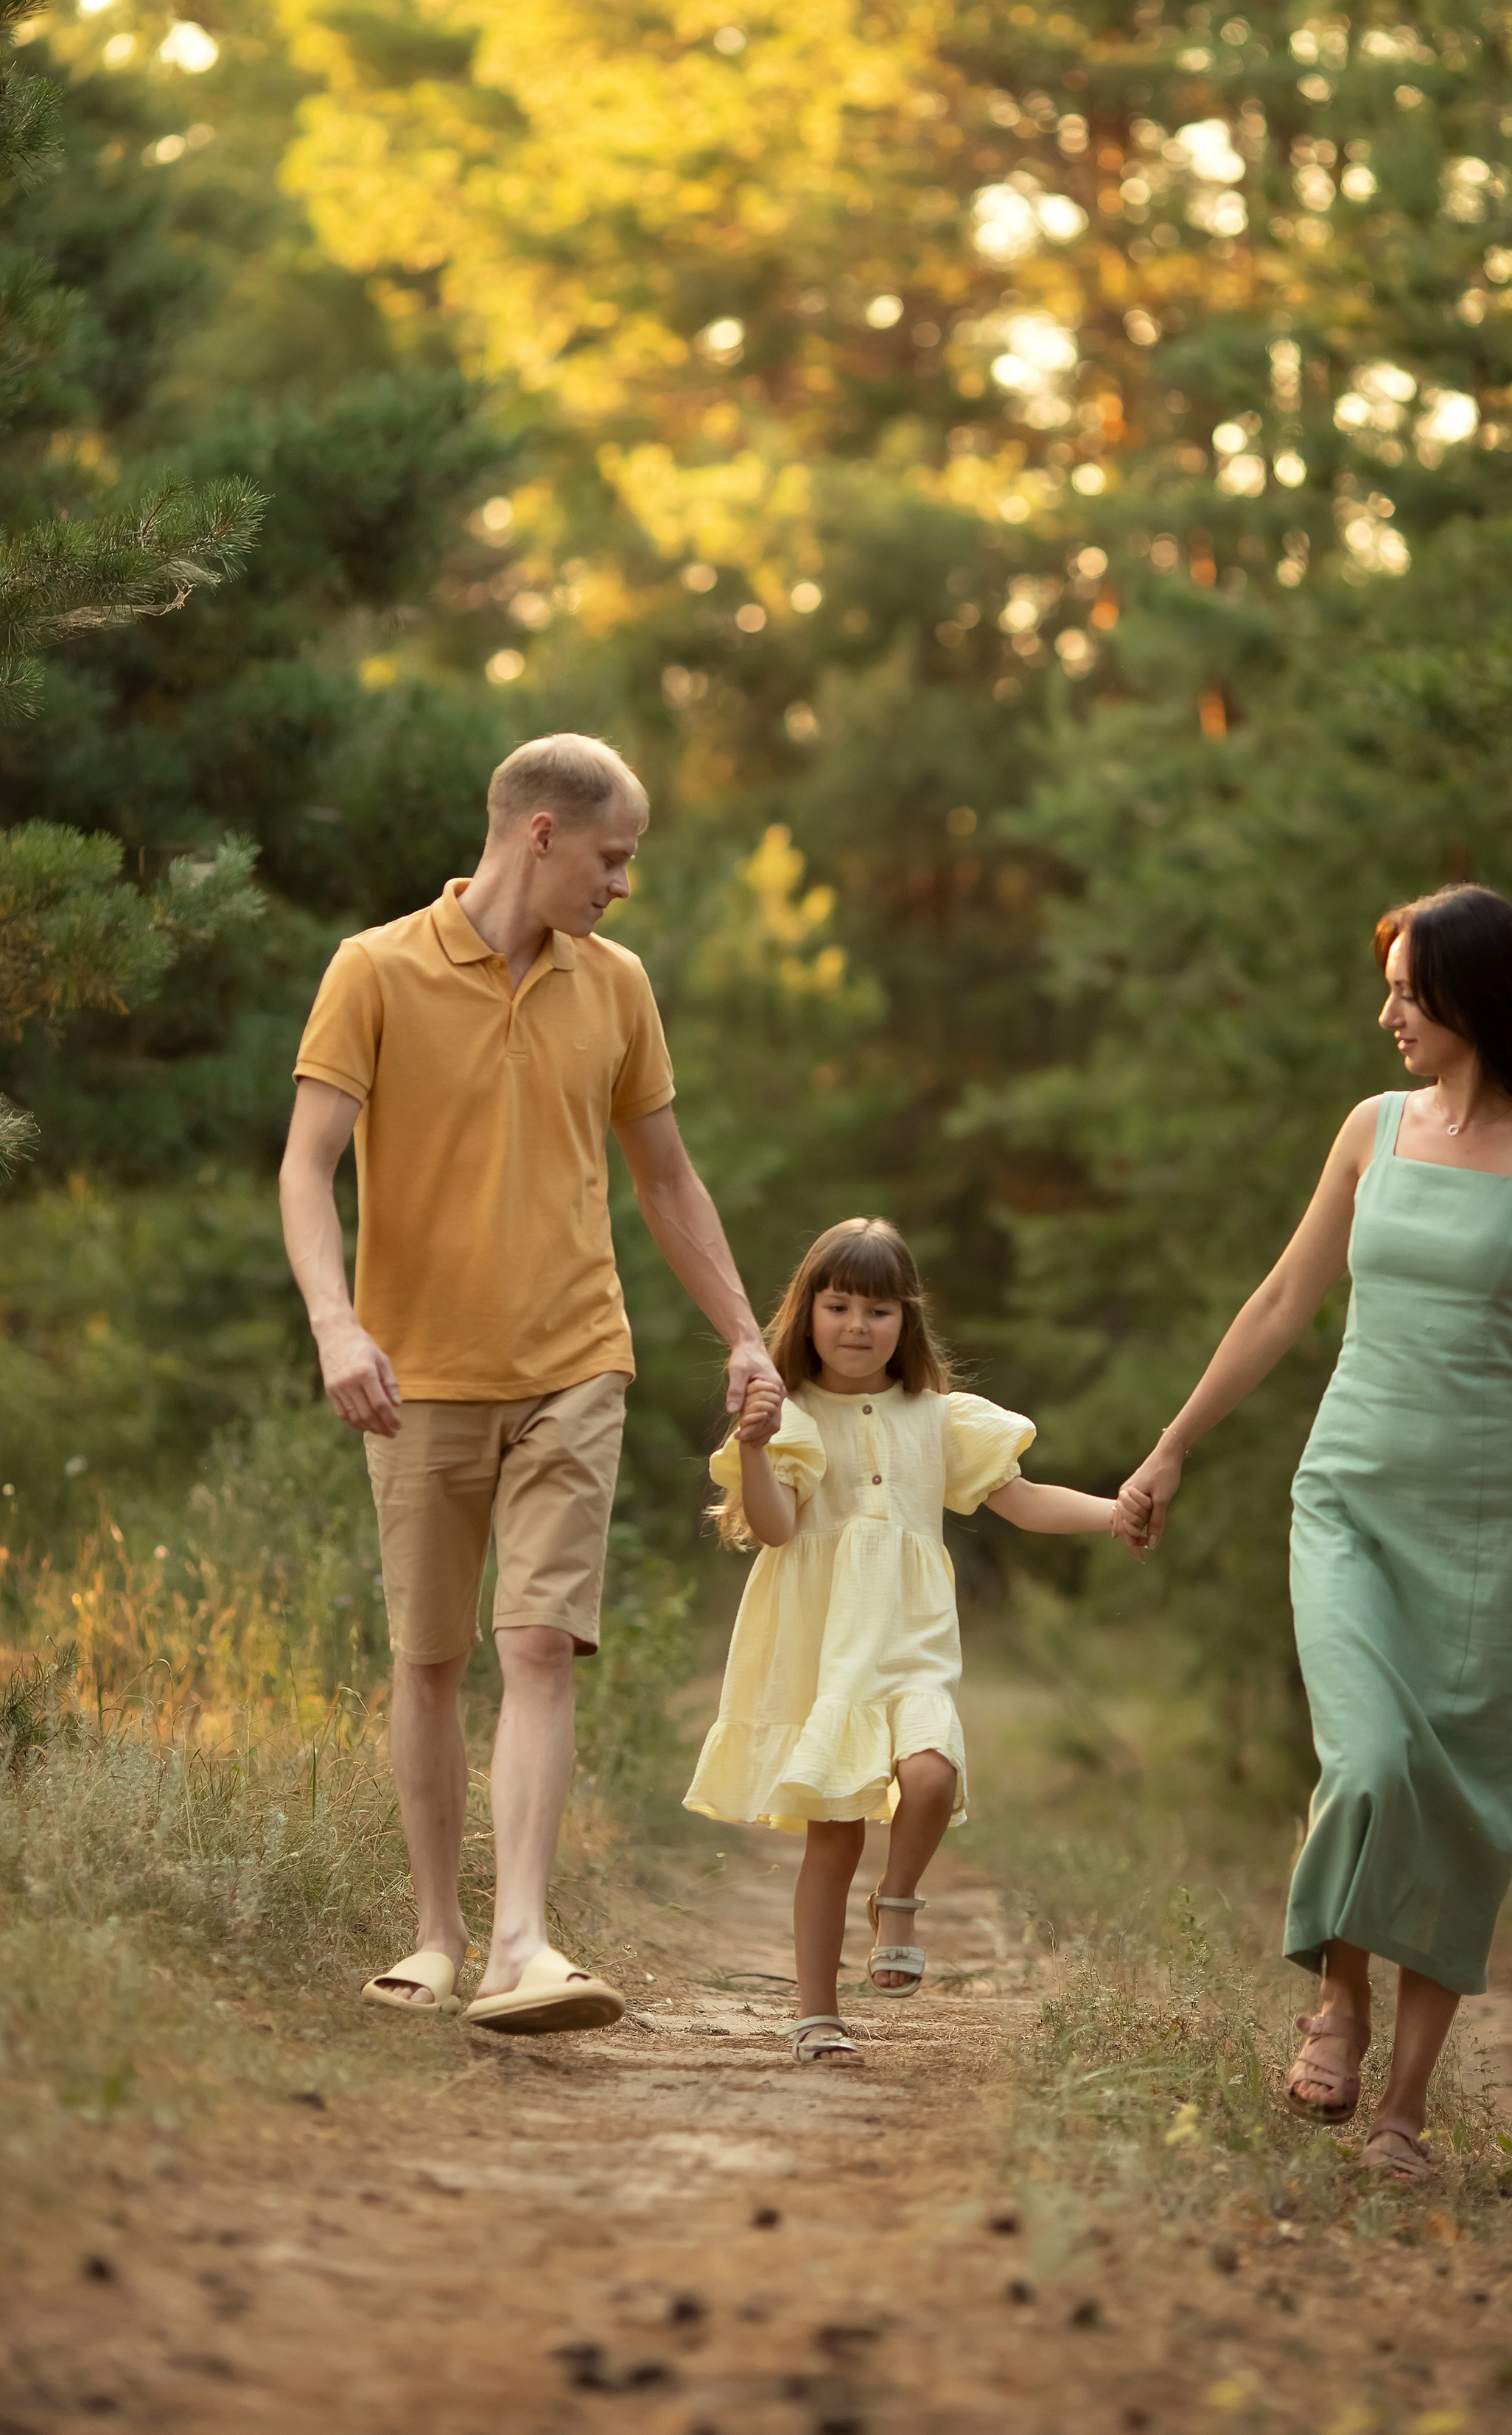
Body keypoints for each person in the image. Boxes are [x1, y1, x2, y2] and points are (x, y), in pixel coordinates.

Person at [279, 732, 783, 2035]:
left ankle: (522, 1942)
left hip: (575, 1359)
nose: (624, 886)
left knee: (541, 1643)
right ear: (543, 833)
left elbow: (665, 1181)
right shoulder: (373, 970)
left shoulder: (618, 988)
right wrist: (337, 1326)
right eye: (613, 857)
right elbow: (306, 1168)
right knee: (431, 1660)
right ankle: (438, 1933)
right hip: (417, 1372)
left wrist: (742, 1333)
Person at [1117, 884, 1512, 2182]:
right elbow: (1288, 1296)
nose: (1387, 1011)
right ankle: (1336, 2002)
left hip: (1490, 1520)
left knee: (1464, 1800)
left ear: (1474, 997)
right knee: (1374, 1759)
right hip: (1348, 1493)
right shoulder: (1371, 1129)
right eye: (1389, 986)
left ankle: (1402, 2108)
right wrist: (1174, 1442)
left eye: (1408, 989)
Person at [685, 1216, 1127, 2064]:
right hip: (826, 1648)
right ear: (806, 1312)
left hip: (911, 1639)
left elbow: (1022, 1499)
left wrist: (1116, 1513)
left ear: (907, 1319)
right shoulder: (790, 1414)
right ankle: (817, 2013)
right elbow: (775, 1529)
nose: (857, 1325)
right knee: (835, 1829)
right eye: (839, 1304)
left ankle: (898, 1897)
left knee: (931, 1773)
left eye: (879, 1309)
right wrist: (750, 1446)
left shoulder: (939, 1416)